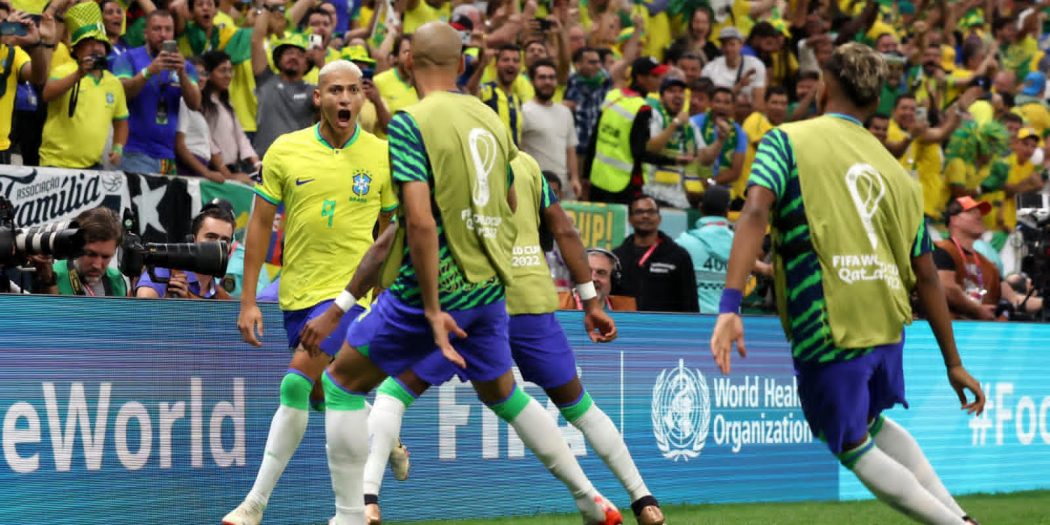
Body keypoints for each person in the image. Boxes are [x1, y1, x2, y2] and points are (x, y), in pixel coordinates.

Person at [319, 22, 620, 525]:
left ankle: (350, 515)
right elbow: (508, 202)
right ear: (462, 65)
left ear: (407, 62)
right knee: (503, 393)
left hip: (434, 290)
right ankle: (589, 497)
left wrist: (432, 308)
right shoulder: (492, 119)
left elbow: (418, 221)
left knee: (340, 384)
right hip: (489, 289)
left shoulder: (411, 122)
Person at [711, 43, 985, 525]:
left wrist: (730, 305)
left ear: (822, 89)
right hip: (887, 325)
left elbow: (754, 212)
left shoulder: (786, 140)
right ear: (876, 102)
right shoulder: (898, 173)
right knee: (872, 423)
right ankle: (960, 515)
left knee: (848, 440)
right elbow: (926, 274)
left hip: (829, 321)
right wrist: (954, 363)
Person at [315, 152, 661, 525]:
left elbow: (404, 235)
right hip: (530, 298)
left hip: (471, 299)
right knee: (573, 406)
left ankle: (367, 499)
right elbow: (564, 231)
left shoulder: (447, 161)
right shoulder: (528, 166)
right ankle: (641, 499)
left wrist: (347, 303)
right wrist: (591, 302)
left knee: (393, 394)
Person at [222, 60, 398, 525]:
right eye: (335, 90)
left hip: (350, 296)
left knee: (295, 383)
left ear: (362, 98)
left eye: (353, 90)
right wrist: (248, 300)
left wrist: (383, 298)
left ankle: (255, 504)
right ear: (317, 97)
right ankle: (384, 436)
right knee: (324, 394)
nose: (345, 98)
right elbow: (260, 225)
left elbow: (389, 233)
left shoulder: (381, 154)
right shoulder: (285, 149)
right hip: (297, 294)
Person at [38, 2, 128, 169]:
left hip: (92, 167)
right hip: (55, 164)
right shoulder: (64, 70)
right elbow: (47, 94)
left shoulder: (114, 83)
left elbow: (121, 120)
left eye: (100, 43)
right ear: (77, 49)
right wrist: (79, 74)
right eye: (89, 43)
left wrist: (118, 147)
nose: (96, 48)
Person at [114, 10, 202, 175]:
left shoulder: (184, 65)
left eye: (168, 29)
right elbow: (121, 93)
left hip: (168, 156)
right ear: (145, 33)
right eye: (157, 29)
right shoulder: (128, 58)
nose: (163, 34)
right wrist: (149, 71)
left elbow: (195, 104)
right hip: (134, 152)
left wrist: (182, 74)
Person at [585, 57, 668, 204]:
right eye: (655, 76)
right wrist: (674, 161)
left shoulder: (613, 96)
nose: (660, 80)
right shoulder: (643, 108)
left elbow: (594, 138)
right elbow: (640, 152)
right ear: (640, 78)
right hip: (625, 184)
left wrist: (585, 175)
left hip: (598, 178)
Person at [613, 195, 698, 312]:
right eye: (639, 212)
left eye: (651, 212)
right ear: (630, 219)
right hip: (627, 322)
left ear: (659, 218)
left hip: (665, 323)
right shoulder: (617, 257)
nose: (645, 216)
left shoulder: (679, 256)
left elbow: (690, 303)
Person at [135, 201, 236, 299]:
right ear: (193, 240)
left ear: (230, 248)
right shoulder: (164, 272)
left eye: (225, 240)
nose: (218, 245)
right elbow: (144, 303)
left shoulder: (222, 297)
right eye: (211, 237)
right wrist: (169, 302)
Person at [250, 16, 317, 158]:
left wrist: (321, 63)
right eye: (288, 53)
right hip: (263, 159)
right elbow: (256, 41)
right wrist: (266, 8)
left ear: (307, 65)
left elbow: (334, 103)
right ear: (278, 59)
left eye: (300, 55)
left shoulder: (313, 91)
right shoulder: (265, 79)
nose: (294, 57)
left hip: (297, 161)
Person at [30, 207, 127, 297]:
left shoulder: (116, 279)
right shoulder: (53, 275)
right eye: (91, 254)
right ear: (75, 247)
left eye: (106, 257)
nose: (97, 265)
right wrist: (49, 282)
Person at [0, 6, 55, 164]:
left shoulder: (13, 52)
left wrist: (37, 44)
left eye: (5, 21)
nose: (5, 25)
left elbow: (39, 77)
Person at [522, 58, 581, 199]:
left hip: (562, 188)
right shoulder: (523, 111)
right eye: (542, 77)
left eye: (551, 77)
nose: (547, 82)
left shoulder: (565, 112)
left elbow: (570, 149)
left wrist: (574, 178)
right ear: (532, 81)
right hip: (534, 185)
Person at [199, 51, 260, 177]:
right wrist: (227, 175)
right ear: (208, 74)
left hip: (232, 168)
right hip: (215, 171)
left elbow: (240, 137)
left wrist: (257, 163)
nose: (228, 76)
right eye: (222, 70)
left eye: (230, 71)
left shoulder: (226, 104)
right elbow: (208, 142)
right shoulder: (202, 104)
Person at [675, 185, 733, 313]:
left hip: (696, 318)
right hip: (729, 319)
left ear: (701, 208)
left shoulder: (683, 241)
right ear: (727, 210)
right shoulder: (740, 244)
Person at [643, 76, 697, 209]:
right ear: (661, 97)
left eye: (681, 92)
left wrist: (720, 140)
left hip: (678, 195)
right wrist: (675, 124)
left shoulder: (688, 123)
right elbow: (651, 147)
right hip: (653, 192)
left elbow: (704, 157)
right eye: (672, 91)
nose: (677, 95)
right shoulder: (654, 114)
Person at [690, 86, 746, 188]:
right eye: (718, 101)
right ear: (710, 103)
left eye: (727, 102)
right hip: (692, 184)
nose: (721, 106)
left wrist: (709, 182)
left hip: (722, 189)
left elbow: (735, 172)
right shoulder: (694, 123)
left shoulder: (739, 133)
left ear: (733, 106)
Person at [701, 27, 766, 110]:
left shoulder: (755, 65)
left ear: (741, 45)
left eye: (732, 44)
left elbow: (759, 104)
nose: (728, 49)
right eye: (724, 44)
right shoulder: (710, 68)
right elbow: (707, 101)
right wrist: (739, 86)